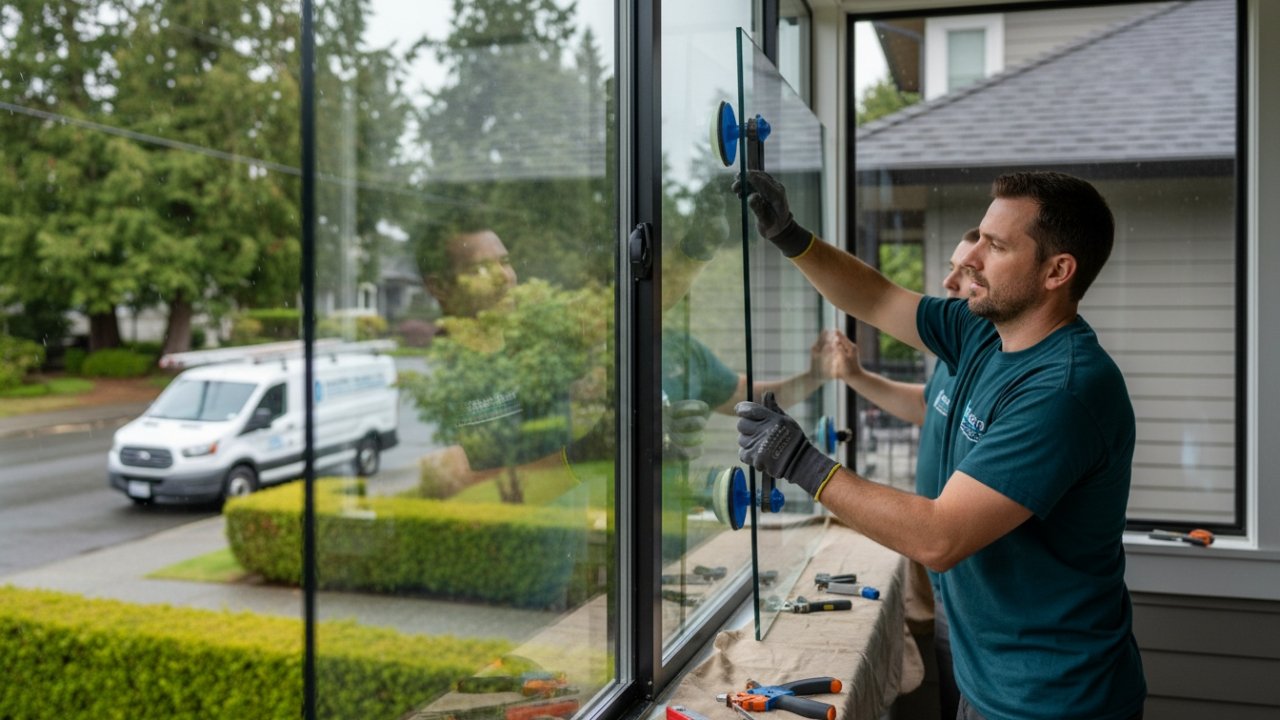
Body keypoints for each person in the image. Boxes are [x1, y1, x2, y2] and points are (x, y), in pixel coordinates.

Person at [734, 169, 1146, 720]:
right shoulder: (983, 330)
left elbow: (939, 537)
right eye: (978, 235)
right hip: (993, 676)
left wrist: (801, 462)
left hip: (1054, 700)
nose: (970, 257)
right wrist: (792, 237)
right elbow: (878, 299)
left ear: (1056, 271)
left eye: (995, 245)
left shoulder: (1064, 390)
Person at [830, 228, 977, 720]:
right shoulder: (958, 357)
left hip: (980, 594)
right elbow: (929, 407)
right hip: (952, 591)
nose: (949, 280)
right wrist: (857, 378)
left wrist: (803, 465)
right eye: (953, 265)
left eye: (968, 271)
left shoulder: (1008, 365)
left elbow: (876, 297)